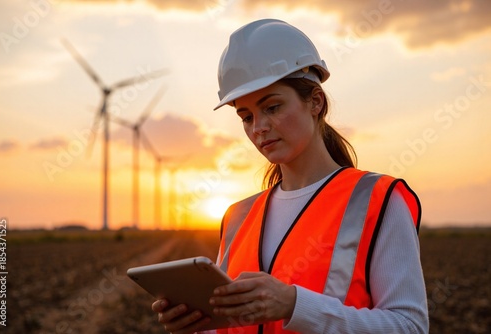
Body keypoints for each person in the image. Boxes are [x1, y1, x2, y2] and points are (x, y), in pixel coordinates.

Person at [152, 18, 429, 334]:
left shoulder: (376, 199)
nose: (258, 127)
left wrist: (295, 305)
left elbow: (410, 327)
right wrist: (199, 324)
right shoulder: (238, 217)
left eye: (272, 107)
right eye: (246, 116)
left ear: (315, 102)